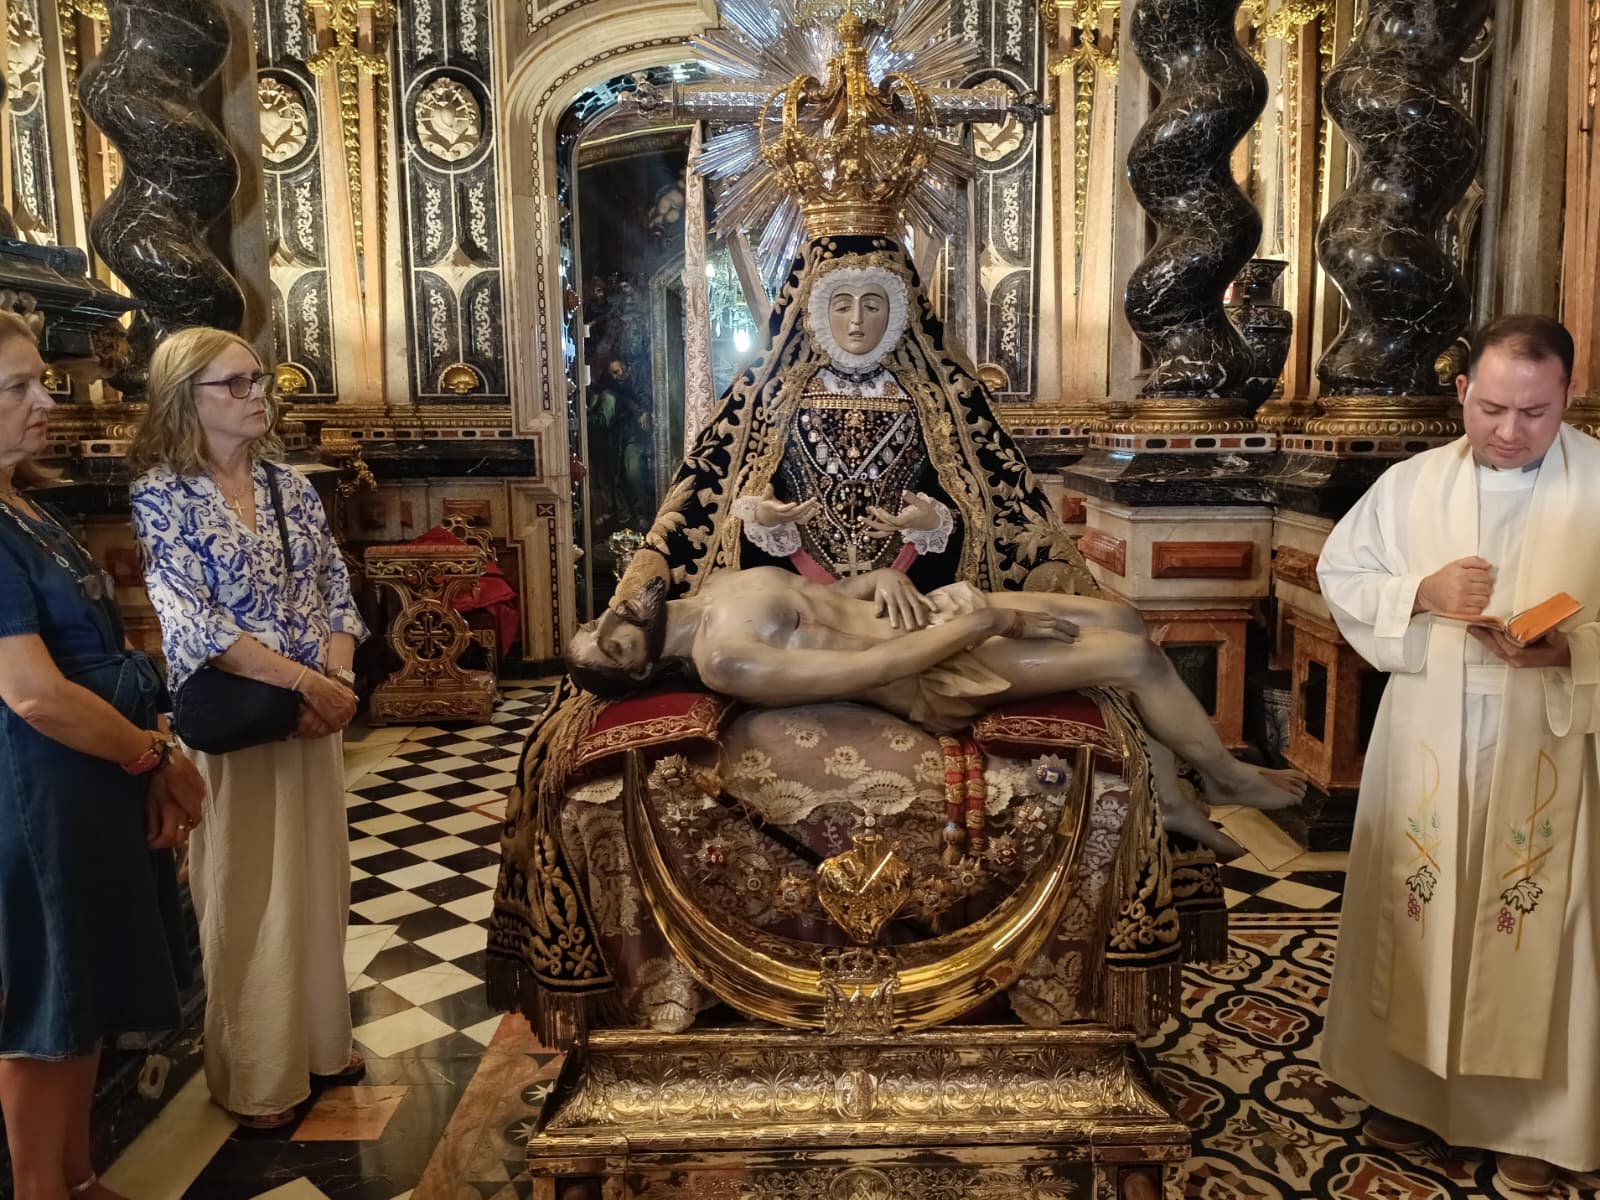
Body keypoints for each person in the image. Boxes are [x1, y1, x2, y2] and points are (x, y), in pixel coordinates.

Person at [1317, 314, 1600, 1194]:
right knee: (1416, 905)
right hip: (1431, 735)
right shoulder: (1411, 486)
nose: (1510, 432)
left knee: (1536, 925)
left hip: (1546, 737)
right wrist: (1423, 591)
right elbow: (1344, 573)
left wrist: (1571, 652)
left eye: (1535, 413)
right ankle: (1402, 1089)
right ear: (1462, 393)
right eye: (1491, 408)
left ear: (1566, 400)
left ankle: (1538, 1127)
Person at [565, 566, 1307, 844]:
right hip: (937, 671)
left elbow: (834, 599)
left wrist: (879, 579)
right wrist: (986, 623)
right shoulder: (724, 658)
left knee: (1121, 619)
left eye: (600, 622)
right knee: (1136, 658)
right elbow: (876, 665)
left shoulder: (718, 585)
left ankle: (1172, 787)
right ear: (645, 666)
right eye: (616, 648)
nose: (615, 624)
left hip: (933, 615)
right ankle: (1224, 779)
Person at [127, 327, 367, 1131]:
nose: (257, 393)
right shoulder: (162, 496)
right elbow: (193, 623)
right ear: (183, 398)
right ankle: (260, 1074)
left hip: (312, 717)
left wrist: (335, 683)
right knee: (247, 890)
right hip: (240, 719)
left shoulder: (289, 487)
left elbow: (336, 585)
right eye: (234, 384)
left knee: (315, 882)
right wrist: (305, 682)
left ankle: (320, 1044)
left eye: (258, 380)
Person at [0, 310, 206, 1199]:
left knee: (83, 1005)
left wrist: (141, 753)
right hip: (37, 797)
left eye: (39, 378)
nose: (46, 399)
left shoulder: (24, 506)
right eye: (17, 387)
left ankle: (79, 1181)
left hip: (86, 784)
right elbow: (34, 693)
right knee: (51, 1012)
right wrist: (153, 756)